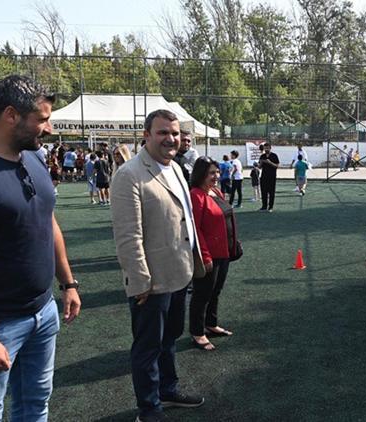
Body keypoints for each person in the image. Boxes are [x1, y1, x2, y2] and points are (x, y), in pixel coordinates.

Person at [0, 75, 81, 421]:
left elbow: (47, 220)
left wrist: (68, 283)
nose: (48, 128)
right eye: (42, 119)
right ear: (10, 115)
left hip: (43, 313)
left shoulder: (32, 158)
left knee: (35, 405)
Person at [111, 109, 206, 421]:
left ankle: (168, 389)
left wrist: (196, 253)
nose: (171, 139)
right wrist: (140, 282)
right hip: (151, 283)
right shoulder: (129, 174)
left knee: (169, 339)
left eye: (175, 133)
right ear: (147, 135)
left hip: (180, 272)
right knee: (148, 347)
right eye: (163, 132)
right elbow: (128, 237)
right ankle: (148, 408)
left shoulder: (176, 168)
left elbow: (185, 218)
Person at [189, 157, 238, 351]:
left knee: (215, 290)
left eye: (217, 172)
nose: (216, 176)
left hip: (224, 251)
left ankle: (211, 323)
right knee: (202, 293)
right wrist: (205, 256)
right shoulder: (196, 195)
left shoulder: (215, 191)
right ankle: (197, 331)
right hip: (209, 254)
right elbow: (196, 228)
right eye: (211, 173)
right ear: (200, 174)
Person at [258, 143, 279, 212]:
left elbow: (277, 166)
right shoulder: (262, 156)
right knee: (263, 191)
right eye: (265, 148)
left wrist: (269, 162)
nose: (266, 149)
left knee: (271, 192)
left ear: (270, 148)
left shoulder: (274, 155)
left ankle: (270, 207)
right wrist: (259, 164)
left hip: (272, 177)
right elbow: (260, 167)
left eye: (267, 148)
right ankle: (264, 206)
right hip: (263, 176)